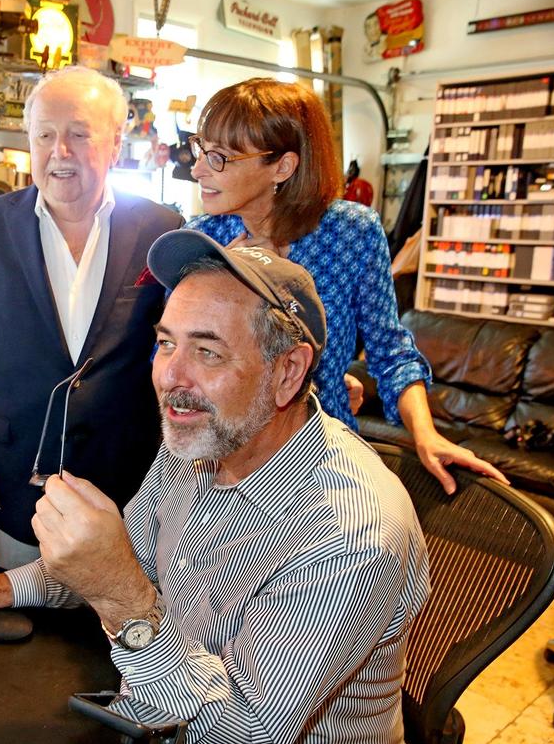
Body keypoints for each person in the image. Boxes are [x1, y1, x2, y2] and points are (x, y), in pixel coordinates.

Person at [0, 230, 430, 744]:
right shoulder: (200, 441)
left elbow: (243, 731)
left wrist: (123, 601)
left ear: (287, 373)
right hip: (152, 715)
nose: (171, 376)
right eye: (167, 344)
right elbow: (125, 559)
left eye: (208, 352)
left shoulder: (351, 533)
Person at [185, 77, 505, 494]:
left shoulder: (350, 233)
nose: (197, 169)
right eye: (200, 149)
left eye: (220, 157)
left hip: (321, 462)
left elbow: (389, 350)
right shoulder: (200, 239)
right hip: (222, 460)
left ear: (282, 166)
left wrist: (426, 434)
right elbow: (177, 360)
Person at [0, 66, 183, 568]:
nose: (59, 151)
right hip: (16, 478)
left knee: (118, 632)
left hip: (129, 486)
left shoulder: (161, 228)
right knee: (17, 624)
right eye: (44, 134)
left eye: (79, 134)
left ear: (114, 144)